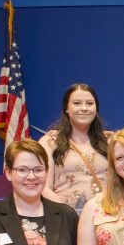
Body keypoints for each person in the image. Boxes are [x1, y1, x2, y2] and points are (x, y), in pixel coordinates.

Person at [40, 83, 110, 212]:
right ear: (66, 108)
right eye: (77, 103)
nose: (84, 108)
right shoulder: (49, 142)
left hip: (106, 217)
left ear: (96, 108)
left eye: (89, 103)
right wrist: (68, 213)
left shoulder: (110, 141)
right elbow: (43, 188)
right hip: (65, 219)